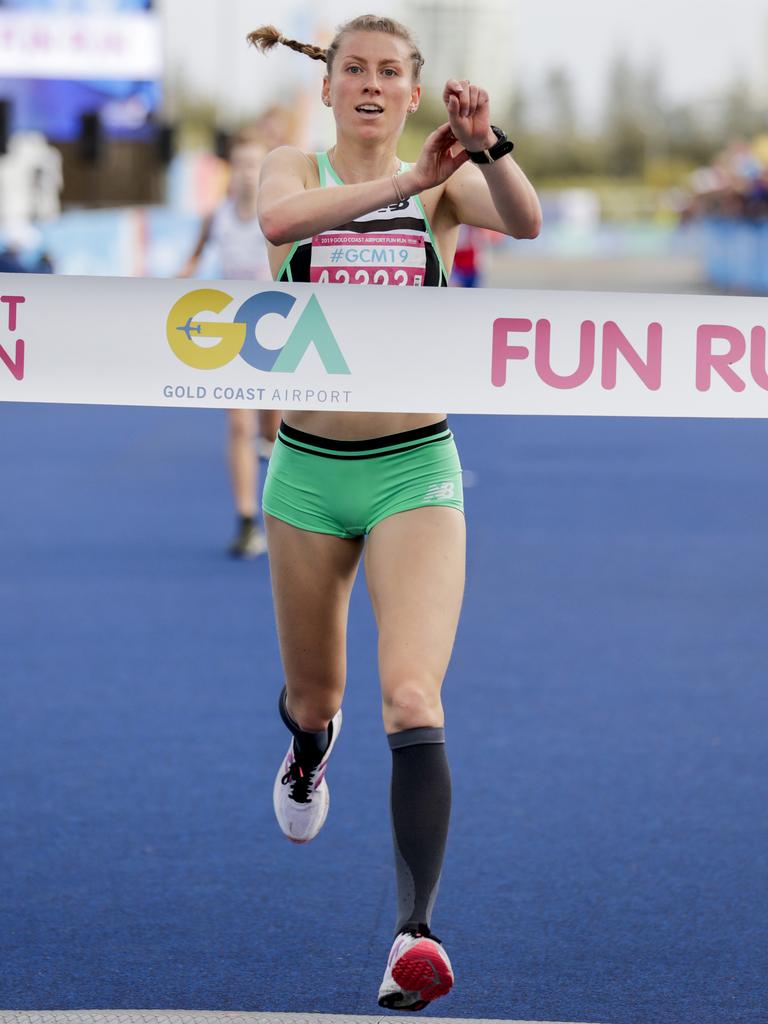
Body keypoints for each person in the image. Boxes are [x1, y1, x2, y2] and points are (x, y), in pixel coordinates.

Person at [249, 14, 541, 1012]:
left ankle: (415, 934)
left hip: (415, 469)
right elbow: (283, 227)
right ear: (328, 87)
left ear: (415, 93)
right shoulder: (293, 165)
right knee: (312, 693)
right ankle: (302, 750)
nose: (371, 84)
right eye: (354, 70)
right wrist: (403, 187)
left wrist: (486, 145)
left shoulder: (449, 174)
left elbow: (528, 219)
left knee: (413, 697)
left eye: (390, 72)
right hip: (305, 473)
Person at [179, 126, 282, 558]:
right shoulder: (216, 217)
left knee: (273, 430)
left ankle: (285, 513)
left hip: (277, 334)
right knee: (238, 425)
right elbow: (191, 262)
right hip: (231, 335)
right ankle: (245, 521)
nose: (245, 174)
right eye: (238, 165)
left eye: (254, 165)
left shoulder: (277, 217)